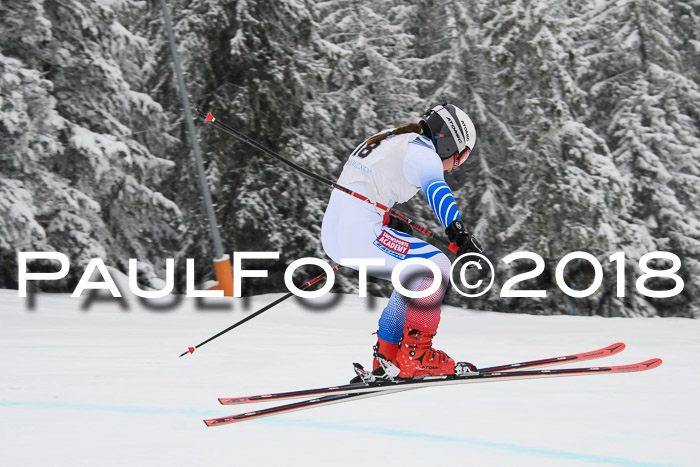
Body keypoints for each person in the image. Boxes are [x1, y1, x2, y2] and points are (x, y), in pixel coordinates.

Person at [321, 104, 483, 379]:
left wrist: (385, 216)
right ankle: (417, 354)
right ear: (448, 142)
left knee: (415, 275)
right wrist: (458, 232)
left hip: (335, 233)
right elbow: (437, 189)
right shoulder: (424, 152)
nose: (456, 166)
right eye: (461, 157)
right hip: (360, 231)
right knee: (437, 266)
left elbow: (368, 180)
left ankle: (387, 356)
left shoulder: (390, 138)